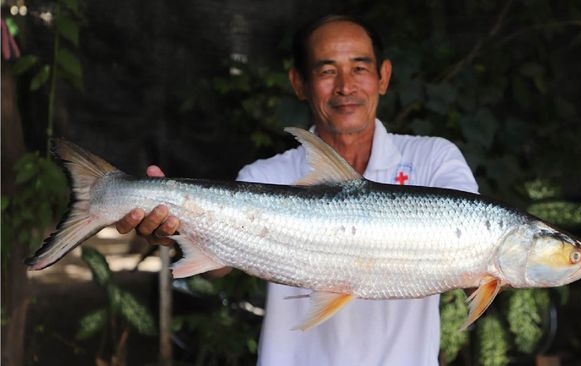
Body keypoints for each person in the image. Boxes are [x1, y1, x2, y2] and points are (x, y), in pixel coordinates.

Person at [116, 15, 478, 365]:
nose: (345, 86)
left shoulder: (435, 159)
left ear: (383, 76)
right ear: (299, 83)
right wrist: (177, 231)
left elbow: (477, 256)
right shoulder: (266, 174)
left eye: (360, 67)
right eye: (326, 70)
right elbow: (219, 266)